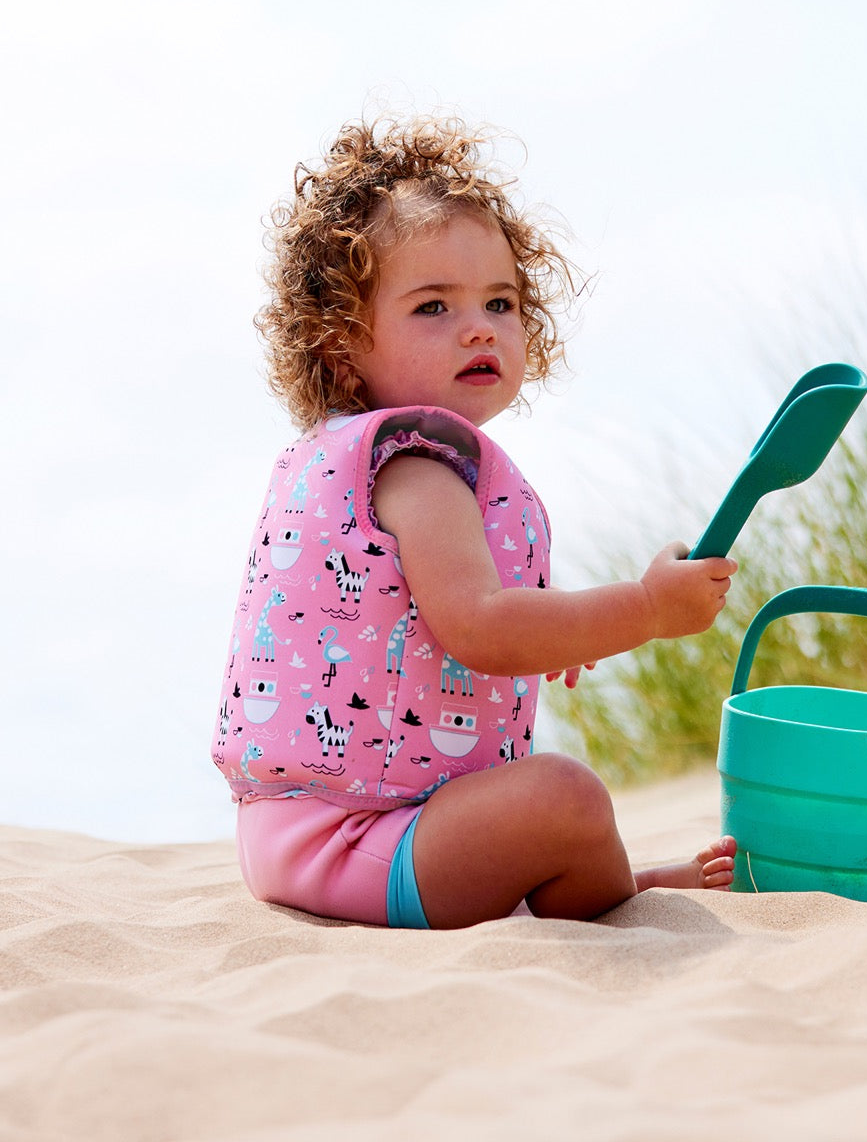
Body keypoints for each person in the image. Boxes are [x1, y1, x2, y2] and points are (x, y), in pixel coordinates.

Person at [211, 114, 738, 930]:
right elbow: (482, 628)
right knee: (564, 796)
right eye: (433, 306)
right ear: (341, 346)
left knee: (552, 803)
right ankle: (617, 890)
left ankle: (607, 877)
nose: (480, 325)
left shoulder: (362, 461)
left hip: (304, 826)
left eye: (500, 300)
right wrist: (644, 610)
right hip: (355, 838)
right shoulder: (417, 467)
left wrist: (558, 625)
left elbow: (430, 611)